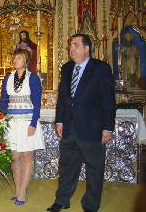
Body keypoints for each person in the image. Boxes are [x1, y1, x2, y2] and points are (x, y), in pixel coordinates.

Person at [46, 34, 115, 212]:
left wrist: (108, 127)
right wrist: (59, 120)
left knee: (94, 169)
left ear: (86, 48)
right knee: (67, 167)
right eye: (70, 46)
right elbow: (63, 97)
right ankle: (62, 200)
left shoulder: (101, 68)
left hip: (92, 129)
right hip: (69, 128)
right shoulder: (67, 68)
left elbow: (108, 100)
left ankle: (90, 205)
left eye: (76, 45)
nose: (71, 49)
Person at [0, 49, 44, 205]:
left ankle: (22, 192)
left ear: (26, 60)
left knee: (26, 157)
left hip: (27, 122)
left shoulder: (33, 78)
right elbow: (3, 100)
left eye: (19, 57)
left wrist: (33, 124)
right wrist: (6, 112)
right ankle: (19, 188)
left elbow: (37, 103)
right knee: (14, 157)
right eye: (14, 57)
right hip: (12, 123)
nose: (15, 59)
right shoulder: (8, 78)